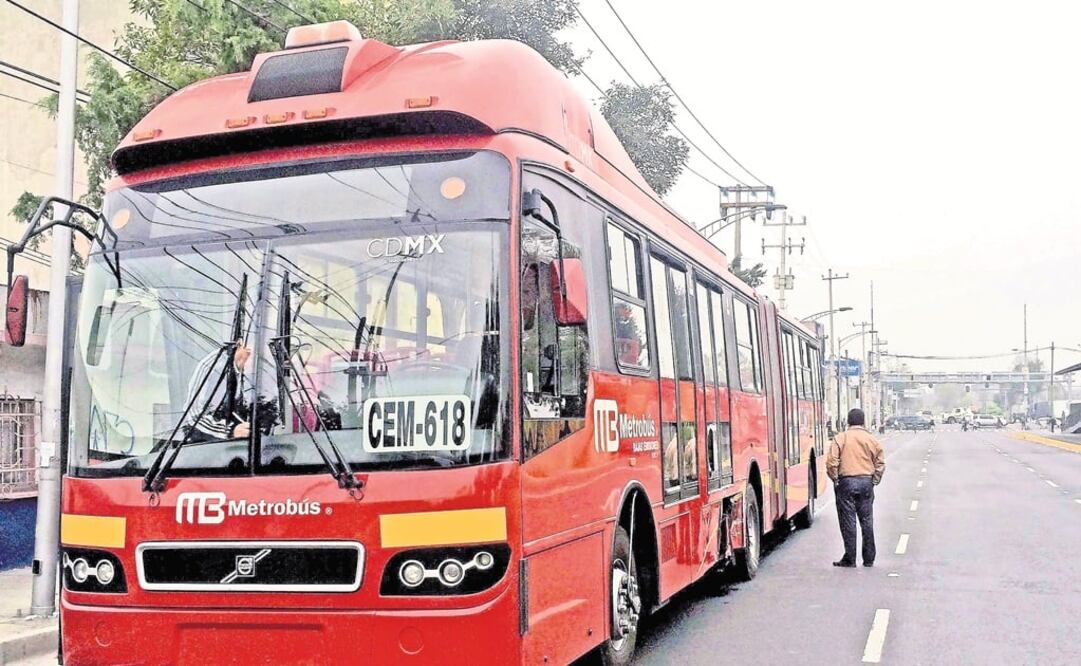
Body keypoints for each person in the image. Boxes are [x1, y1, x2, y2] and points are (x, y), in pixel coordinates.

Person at [827, 408, 885, 568]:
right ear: (863, 421)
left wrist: (835, 478)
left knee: (848, 521)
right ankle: (869, 559)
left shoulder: (841, 438)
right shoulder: (872, 440)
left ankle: (850, 558)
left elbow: (832, 462)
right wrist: (875, 479)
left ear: (848, 421)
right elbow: (880, 463)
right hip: (866, 482)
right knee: (867, 521)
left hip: (846, 483)